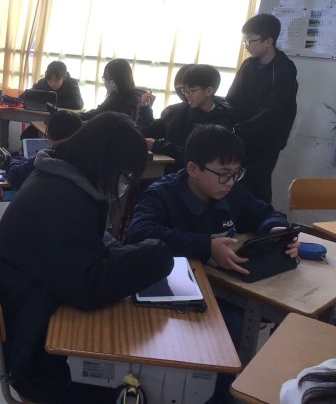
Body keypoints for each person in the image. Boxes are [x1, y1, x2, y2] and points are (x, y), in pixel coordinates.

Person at [0, 111, 174, 403]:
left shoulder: (56, 179)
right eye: (126, 176)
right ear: (106, 164)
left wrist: (124, 253)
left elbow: (86, 248)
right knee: (145, 382)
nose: (125, 185)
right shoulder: (61, 200)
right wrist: (159, 255)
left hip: (33, 321)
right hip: (37, 358)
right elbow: (88, 288)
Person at [127, 124, 299, 403]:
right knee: (231, 327)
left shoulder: (232, 193)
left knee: (259, 319)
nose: (230, 182)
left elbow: (265, 212)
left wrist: (276, 229)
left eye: (236, 174)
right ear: (193, 169)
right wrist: (206, 246)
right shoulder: (161, 194)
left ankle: (231, 389)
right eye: (223, 174)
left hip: (222, 287)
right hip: (174, 293)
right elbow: (139, 233)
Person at [226, 13, 299, 203]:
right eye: (244, 41)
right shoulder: (248, 65)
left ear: (268, 41)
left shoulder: (284, 71)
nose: (246, 46)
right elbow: (232, 99)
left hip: (266, 141)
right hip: (240, 136)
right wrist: (226, 125)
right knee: (232, 184)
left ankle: (264, 220)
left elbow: (271, 112)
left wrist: (239, 130)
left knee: (257, 185)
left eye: (250, 41)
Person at [145, 64, 234, 173]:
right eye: (185, 90)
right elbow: (151, 130)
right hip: (166, 172)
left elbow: (197, 156)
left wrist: (157, 145)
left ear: (209, 91)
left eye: (191, 90)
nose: (187, 95)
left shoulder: (221, 122)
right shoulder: (177, 111)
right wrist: (145, 110)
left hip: (193, 176)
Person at [6, 110, 82, 189]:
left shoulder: (45, 160)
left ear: (49, 135)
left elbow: (14, 175)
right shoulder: (85, 161)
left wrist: (19, 158)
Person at [19, 61, 84, 139]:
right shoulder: (43, 82)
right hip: (43, 119)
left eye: (56, 80)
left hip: (63, 122)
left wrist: (53, 103)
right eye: (49, 80)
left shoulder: (71, 84)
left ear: (64, 77)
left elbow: (77, 103)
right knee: (26, 136)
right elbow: (25, 96)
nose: (53, 84)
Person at [79, 58, 141, 123]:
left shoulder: (134, 98)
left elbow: (123, 121)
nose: (106, 82)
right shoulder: (114, 94)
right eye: (105, 79)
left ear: (121, 79)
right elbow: (97, 112)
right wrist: (76, 116)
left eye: (109, 79)